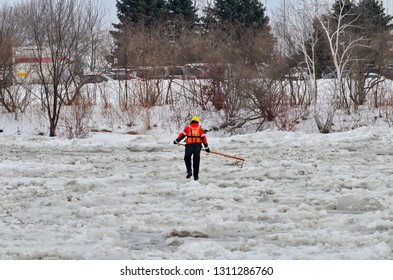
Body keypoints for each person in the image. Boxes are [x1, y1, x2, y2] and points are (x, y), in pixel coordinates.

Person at [173, 116, 210, 181]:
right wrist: (206, 148)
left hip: (189, 146)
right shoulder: (200, 129)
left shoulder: (188, 128)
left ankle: (189, 171)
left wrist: (176, 141)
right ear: (197, 122)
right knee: (196, 161)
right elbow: (204, 139)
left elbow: (181, 136)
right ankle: (196, 176)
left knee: (187, 158)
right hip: (197, 147)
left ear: (192, 121)